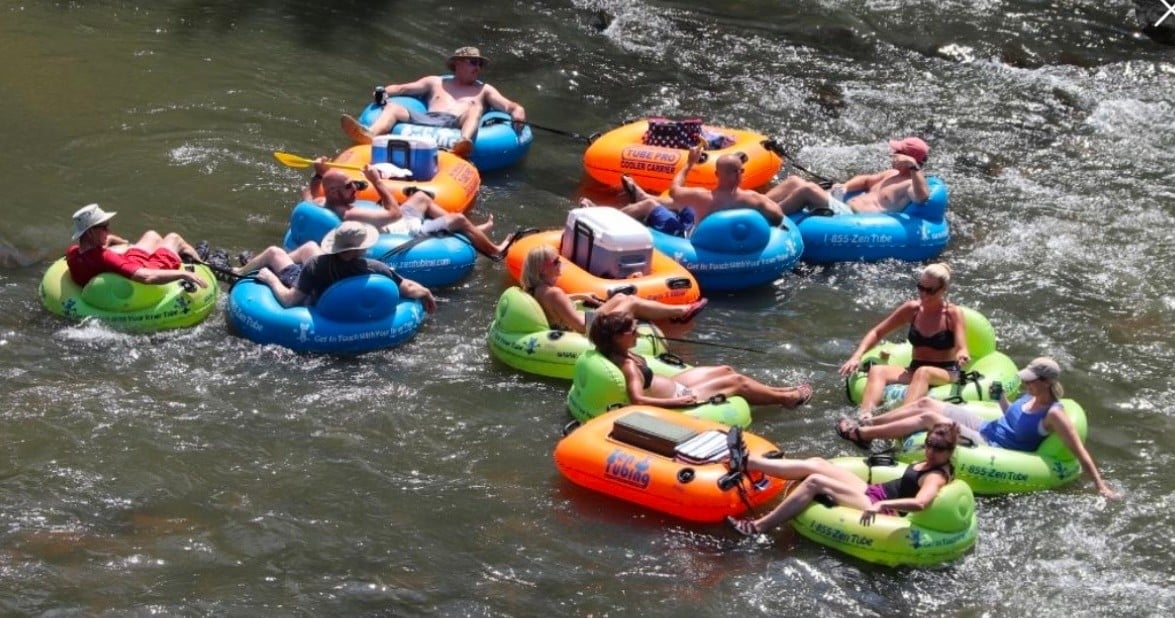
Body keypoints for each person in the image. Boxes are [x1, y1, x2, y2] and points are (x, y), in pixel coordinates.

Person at [834, 357, 1120, 499]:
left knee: (930, 419)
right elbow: (1013, 418)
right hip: (988, 427)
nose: (1025, 382)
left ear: (1045, 383)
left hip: (994, 446)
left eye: (1030, 380)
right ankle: (869, 422)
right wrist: (1003, 400)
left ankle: (863, 435)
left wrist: (1100, 485)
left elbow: (1078, 450)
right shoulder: (1029, 396)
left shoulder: (1055, 414)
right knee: (926, 403)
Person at [725, 422, 959, 536]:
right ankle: (746, 462)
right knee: (818, 463)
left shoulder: (935, 476)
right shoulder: (931, 461)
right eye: (929, 444)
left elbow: (920, 503)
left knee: (815, 481)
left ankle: (758, 527)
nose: (931, 452)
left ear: (949, 451)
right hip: (874, 492)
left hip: (882, 508)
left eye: (939, 449)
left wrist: (882, 505)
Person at [588, 310, 812, 409]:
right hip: (677, 396)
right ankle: (786, 398)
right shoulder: (628, 366)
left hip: (672, 384)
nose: (638, 333)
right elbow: (637, 400)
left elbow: (598, 325)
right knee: (737, 382)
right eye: (633, 331)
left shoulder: (616, 349)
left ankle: (778, 390)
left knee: (725, 369)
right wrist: (676, 402)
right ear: (617, 337)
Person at [302, 163, 519, 260]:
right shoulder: (351, 215)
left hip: (399, 222)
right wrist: (377, 182)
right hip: (405, 231)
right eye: (349, 186)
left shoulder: (322, 202)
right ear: (334, 191)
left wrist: (318, 174)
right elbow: (394, 214)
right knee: (459, 219)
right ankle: (495, 250)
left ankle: (468, 231)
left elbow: (308, 196)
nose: (355, 189)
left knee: (421, 197)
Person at [340, 46, 527, 159]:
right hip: (426, 118)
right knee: (393, 107)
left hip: (455, 122)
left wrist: (518, 111)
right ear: (458, 63)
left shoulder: (484, 89)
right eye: (473, 62)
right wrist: (383, 91)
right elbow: (402, 89)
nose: (478, 67)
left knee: (475, 106)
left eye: (480, 64)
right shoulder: (435, 82)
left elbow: (509, 106)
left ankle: (463, 143)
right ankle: (370, 134)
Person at [839, 263, 969, 419]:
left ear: (943, 289)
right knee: (877, 370)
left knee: (924, 372)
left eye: (930, 290)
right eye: (920, 287)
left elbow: (962, 347)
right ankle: (865, 417)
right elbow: (877, 332)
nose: (923, 293)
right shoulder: (912, 309)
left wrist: (962, 354)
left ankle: (898, 421)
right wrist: (856, 356)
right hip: (915, 369)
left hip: (946, 372)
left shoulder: (952, 314)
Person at [519, 245, 708, 333]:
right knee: (630, 302)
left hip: (567, 323)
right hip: (583, 329)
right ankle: (680, 312)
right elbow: (581, 325)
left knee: (619, 298)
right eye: (556, 262)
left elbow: (556, 304)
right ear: (543, 269)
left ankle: (678, 313)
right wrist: (601, 312)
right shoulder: (554, 293)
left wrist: (580, 296)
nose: (560, 263)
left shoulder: (537, 289)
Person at [256, 221, 436, 313]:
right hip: (343, 308)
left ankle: (245, 270)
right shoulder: (375, 269)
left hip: (312, 296)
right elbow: (408, 287)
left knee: (273, 252)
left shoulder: (316, 266)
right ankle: (282, 262)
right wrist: (426, 292)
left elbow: (289, 301)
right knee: (310, 247)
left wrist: (270, 279)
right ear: (361, 249)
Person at [614, 143, 784, 237]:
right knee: (685, 207)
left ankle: (607, 218)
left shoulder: (701, 196)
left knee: (650, 205)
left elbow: (674, 190)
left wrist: (689, 164)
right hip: (729, 242)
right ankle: (643, 195)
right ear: (742, 173)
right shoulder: (754, 199)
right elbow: (778, 216)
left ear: (717, 174)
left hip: (694, 241)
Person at [765, 137, 932, 215]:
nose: (892, 155)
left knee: (808, 189)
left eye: (897, 152)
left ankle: (769, 216)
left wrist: (914, 166)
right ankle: (757, 206)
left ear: (908, 159)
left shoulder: (909, 185)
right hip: (843, 206)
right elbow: (865, 180)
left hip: (851, 218)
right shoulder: (891, 173)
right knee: (795, 181)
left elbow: (922, 197)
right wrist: (845, 187)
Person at [64, 203, 207, 290]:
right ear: (90, 232)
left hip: (130, 261)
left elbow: (100, 250)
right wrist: (184, 274)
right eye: (105, 227)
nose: (109, 231)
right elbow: (147, 277)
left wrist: (119, 241)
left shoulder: (72, 252)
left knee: (151, 235)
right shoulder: (105, 257)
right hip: (150, 268)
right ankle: (203, 264)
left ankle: (182, 255)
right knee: (174, 238)